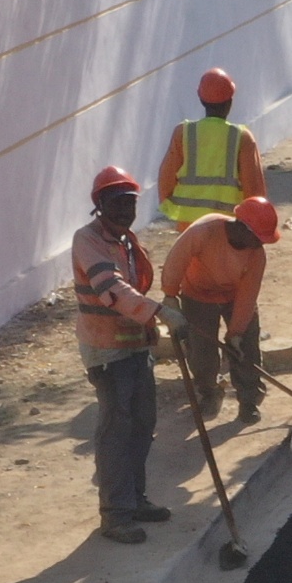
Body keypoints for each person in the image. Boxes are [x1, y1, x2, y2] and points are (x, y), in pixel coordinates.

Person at [67, 166, 172, 545]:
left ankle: (135, 499)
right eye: (118, 203)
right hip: (107, 351)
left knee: (143, 424)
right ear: (100, 205)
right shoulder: (88, 241)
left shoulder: (127, 240)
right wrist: (160, 312)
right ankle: (115, 515)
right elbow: (112, 290)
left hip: (135, 346)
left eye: (130, 203)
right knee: (117, 429)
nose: (126, 210)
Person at [158, 194, 280, 423]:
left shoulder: (256, 255)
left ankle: (249, 399)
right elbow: (176, 258)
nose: (261, 244)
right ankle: (209, 393)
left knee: (246, 348)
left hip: (233, 296)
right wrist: (170, 295)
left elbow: (247, 296)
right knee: (201, 352)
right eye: (259, 238)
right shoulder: (205, 230)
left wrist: (236, 333)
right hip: (197, 294)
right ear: (243, 228)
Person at [157, 68, 266, 233]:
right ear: (230, 101)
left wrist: (174, 210)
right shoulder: (242, 137)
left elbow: (166, 180)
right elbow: (254, 190)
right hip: (228, 227)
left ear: (201, 99)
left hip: (189, 226)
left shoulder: (184, 133)